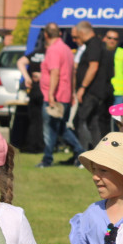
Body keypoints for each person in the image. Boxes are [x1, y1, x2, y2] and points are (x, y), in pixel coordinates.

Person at [37, 23, 85, 168]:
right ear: (59, 34)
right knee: (61, 128)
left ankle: (48, 159)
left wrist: (51, 94)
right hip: (65, 94)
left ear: (46, 35)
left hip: (55, 97)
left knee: (51, 129)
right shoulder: (67, 49)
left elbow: (55, 72)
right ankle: (78, 154)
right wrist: (71, 93)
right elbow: (71, 74)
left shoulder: (53, 50)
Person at [73, 21, 114, 152]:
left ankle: (81, 153)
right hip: (98, 91)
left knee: (81, 121)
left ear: (82, 32)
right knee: (93, 123)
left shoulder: (93, 45)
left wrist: (82, 88)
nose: (76, 39)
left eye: (76, 36)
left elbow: (93, 67)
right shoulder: (98, 44)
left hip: (92, 92)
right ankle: (97, 153)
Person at [103, 30, 123, 106]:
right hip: (103, 90)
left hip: (119, 92)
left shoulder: (122, 52)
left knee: (117, 117)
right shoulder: (100, 51)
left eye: (115, 39)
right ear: (105, 38)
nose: (112, 41)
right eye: (110, 38)